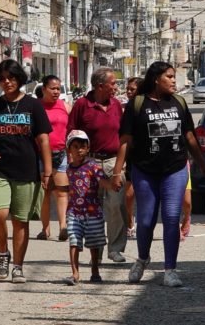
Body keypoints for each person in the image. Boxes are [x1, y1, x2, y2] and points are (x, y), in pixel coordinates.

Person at [112, 61, 205, 287]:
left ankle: (170, 269)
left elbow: (189, 136)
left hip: (175, 169)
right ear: (156, 79)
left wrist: (202, 164)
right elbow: (126, 140)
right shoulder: (137, 104)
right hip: (144, 170)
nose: (173, 80)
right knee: (146, 220)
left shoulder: (178, 103)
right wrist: (117, 171)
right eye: (169, 76)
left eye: (173, 76)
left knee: (170, 217)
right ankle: (143, 258)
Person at [0, 59, 53, 284]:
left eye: (12, 77)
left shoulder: (33, 105)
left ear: (20, 79)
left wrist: (47, 171)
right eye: (3, 78)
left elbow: (44, 140)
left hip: (27, 170)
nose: (7, 82)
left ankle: (18, 266)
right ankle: (3, 253)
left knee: (20, 221)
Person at [68, 67, 127, 263]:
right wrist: (74, 161)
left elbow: (124, 135)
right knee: (93, 209)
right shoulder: (82, 105)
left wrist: (121, 164)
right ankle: (97, 252)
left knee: (117, 205)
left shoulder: (117, 105)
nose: (116, 87)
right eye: (113, 83)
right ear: (100, 86)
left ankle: (115, 249)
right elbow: (71, 133)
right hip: (89, 162)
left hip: (112, 162)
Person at [63, 129, 115, 285]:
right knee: (73, 240)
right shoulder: (68, 168)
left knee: (94, 243)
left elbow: (103, 182)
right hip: (74, 212)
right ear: (69, 149)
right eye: (75, 146)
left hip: (93, 212)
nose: (79, 150)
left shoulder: (93, 166)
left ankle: (95, 271)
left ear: (88, 148)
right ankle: (75, 274)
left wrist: (113, 185)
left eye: (82, 146)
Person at [37, 75, 72, 241]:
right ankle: (45, 229)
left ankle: (63, 227)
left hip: (61, 153)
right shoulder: (36, 107)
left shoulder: (65, 107)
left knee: (62, 191)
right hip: (40, 155)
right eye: (53, 88)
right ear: (44, 89)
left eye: (58, 88)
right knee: (45, 193)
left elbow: (73, 128)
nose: (56, 91)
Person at [124, 76, 143, 239]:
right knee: (129, 194)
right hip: (129, 156)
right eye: (127, 89)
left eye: (132, 89)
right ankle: (130, 221)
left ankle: (144, 225)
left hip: (146, 157)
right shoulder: (125, 108)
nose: (129, 92)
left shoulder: (148, 107)